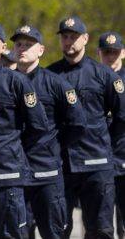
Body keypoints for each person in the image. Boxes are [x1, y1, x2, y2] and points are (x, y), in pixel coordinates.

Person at [0, 21, 50, 239]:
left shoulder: (17, 82)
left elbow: (38, 125)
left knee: (11, 234)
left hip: (7, 174)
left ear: (3, 47)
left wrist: (11, 150)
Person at [48, 17, 125, 239]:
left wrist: (104, 146)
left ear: (85, 39)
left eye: (74, 37)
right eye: (65, 37)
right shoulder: (51, 75)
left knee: (100, 229)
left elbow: (120, 119)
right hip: (63, 166)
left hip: (97, 165)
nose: (69, 41)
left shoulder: (104, 75)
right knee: (59, 229)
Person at [11, 25, 85, 239]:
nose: (22, 48)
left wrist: (54, 145)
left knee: (54, 232)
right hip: (12, 171)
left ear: (41, 50)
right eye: (19, 44)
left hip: (47, 171)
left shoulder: (56, 83)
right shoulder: (3, 81)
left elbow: (77, 124)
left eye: (29, 44)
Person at [97, 32, 125, 239]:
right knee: (101, 224)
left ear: (122, 53)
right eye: (106, 53)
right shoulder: (93, 79)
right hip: (99, 159)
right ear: (99, 53)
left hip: (123, 157)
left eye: (114, 53)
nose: (110, 57)